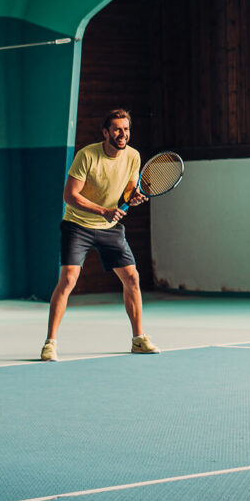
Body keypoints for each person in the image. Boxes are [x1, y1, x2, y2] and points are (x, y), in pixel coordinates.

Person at [40, 108, 159, 361]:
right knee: (69, 279)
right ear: (105, 132)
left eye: (126, 129)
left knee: (132, 278)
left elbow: (126, 193)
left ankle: (138, 339)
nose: (122, 134)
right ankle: (50, 342)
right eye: (117, 129)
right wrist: (103, 210)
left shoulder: (133, 157)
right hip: (78, 225)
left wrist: (132, 199)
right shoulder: (87, 156)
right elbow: (69, 196)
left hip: (110, 229)